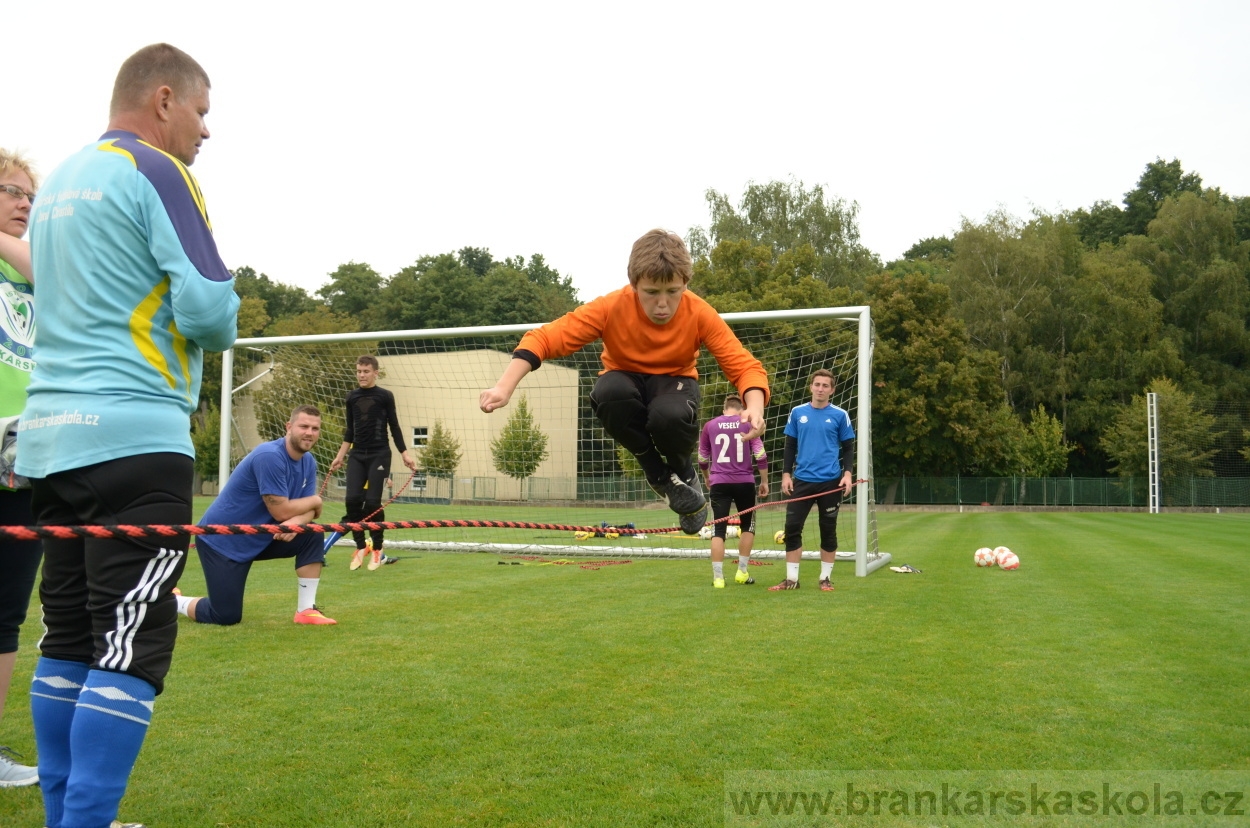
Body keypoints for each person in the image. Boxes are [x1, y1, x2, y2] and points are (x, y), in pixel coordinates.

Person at [16, 44, 239, 828]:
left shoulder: (59, 184)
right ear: (166, 99)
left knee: (69, 635)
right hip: (134, 439)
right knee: (129, 646)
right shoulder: (158, 171)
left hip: (50, 443)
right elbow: (211, 309)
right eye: (204, 112)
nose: (206, 131)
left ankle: (64, 819)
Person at [479, 229, 769, 535]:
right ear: (634, 285)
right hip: (624, 380)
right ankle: (658, 475)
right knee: (609, 391)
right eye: (651, 292)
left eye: (672, 292)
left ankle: (683, 472)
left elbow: (743, 364)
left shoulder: (699, 313)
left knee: (667, 415)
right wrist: (504, 385)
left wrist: (754, 406)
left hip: (674, 383)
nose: (662, 304)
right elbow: (547, 337)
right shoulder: (611, 307)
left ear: (685, 283)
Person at [176, 406, 334, 626]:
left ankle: (306, 611)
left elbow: (307, 512)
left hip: (262, 537)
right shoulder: (269, 456)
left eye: (315, 428)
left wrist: (296, 523)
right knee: (225, 616)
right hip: (222, 541)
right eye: (304, 426)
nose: (309, 432)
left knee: (312, 534)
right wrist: (316, 501)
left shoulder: (309, 462)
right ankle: (172, 601)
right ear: (288, 427)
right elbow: (281, 511)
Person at [0, 149, 39, 789]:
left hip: (25, 458)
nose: (24, 202)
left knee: (5, 613)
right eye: (11, 190)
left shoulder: (31, 270)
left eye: (30, 195)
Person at [769, 369, 855, 592]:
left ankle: (825, 579)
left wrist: (847, 474)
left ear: (832, 390)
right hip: (802, 481)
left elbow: (848, 448)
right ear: (811, 387)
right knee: (792, 527)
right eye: (817, 384)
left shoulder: (840, 414)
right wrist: (786, 474)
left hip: (830, 482)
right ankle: (791, 580)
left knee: (828, 529)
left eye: (825, 386)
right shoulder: (797, 413)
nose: (820, 389)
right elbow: (789, 446)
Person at [328, 355, 416, 570]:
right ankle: (360, 546)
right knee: (352, 501)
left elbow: (394, 426)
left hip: (380, 454)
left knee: (373, 503)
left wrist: (404, 453)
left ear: (375, 372)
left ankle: (377, 549)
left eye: (366, 371)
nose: (361, 375)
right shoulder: (351, 397)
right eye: (358, 371)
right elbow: (350, 430)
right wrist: (340, 456)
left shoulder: (385, 396)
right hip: (357, 455)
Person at [698, 394, 769, 588]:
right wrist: (764, 481)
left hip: (719, 483)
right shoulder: (748, 423)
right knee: (748, 526)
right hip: (744, 482)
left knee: (718, 530)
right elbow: (761, 456)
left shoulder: (710, 426)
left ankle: (718, 578)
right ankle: (742, 572)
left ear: (724, 409)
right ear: (741, 409)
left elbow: (702, 459)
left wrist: (706, 477)